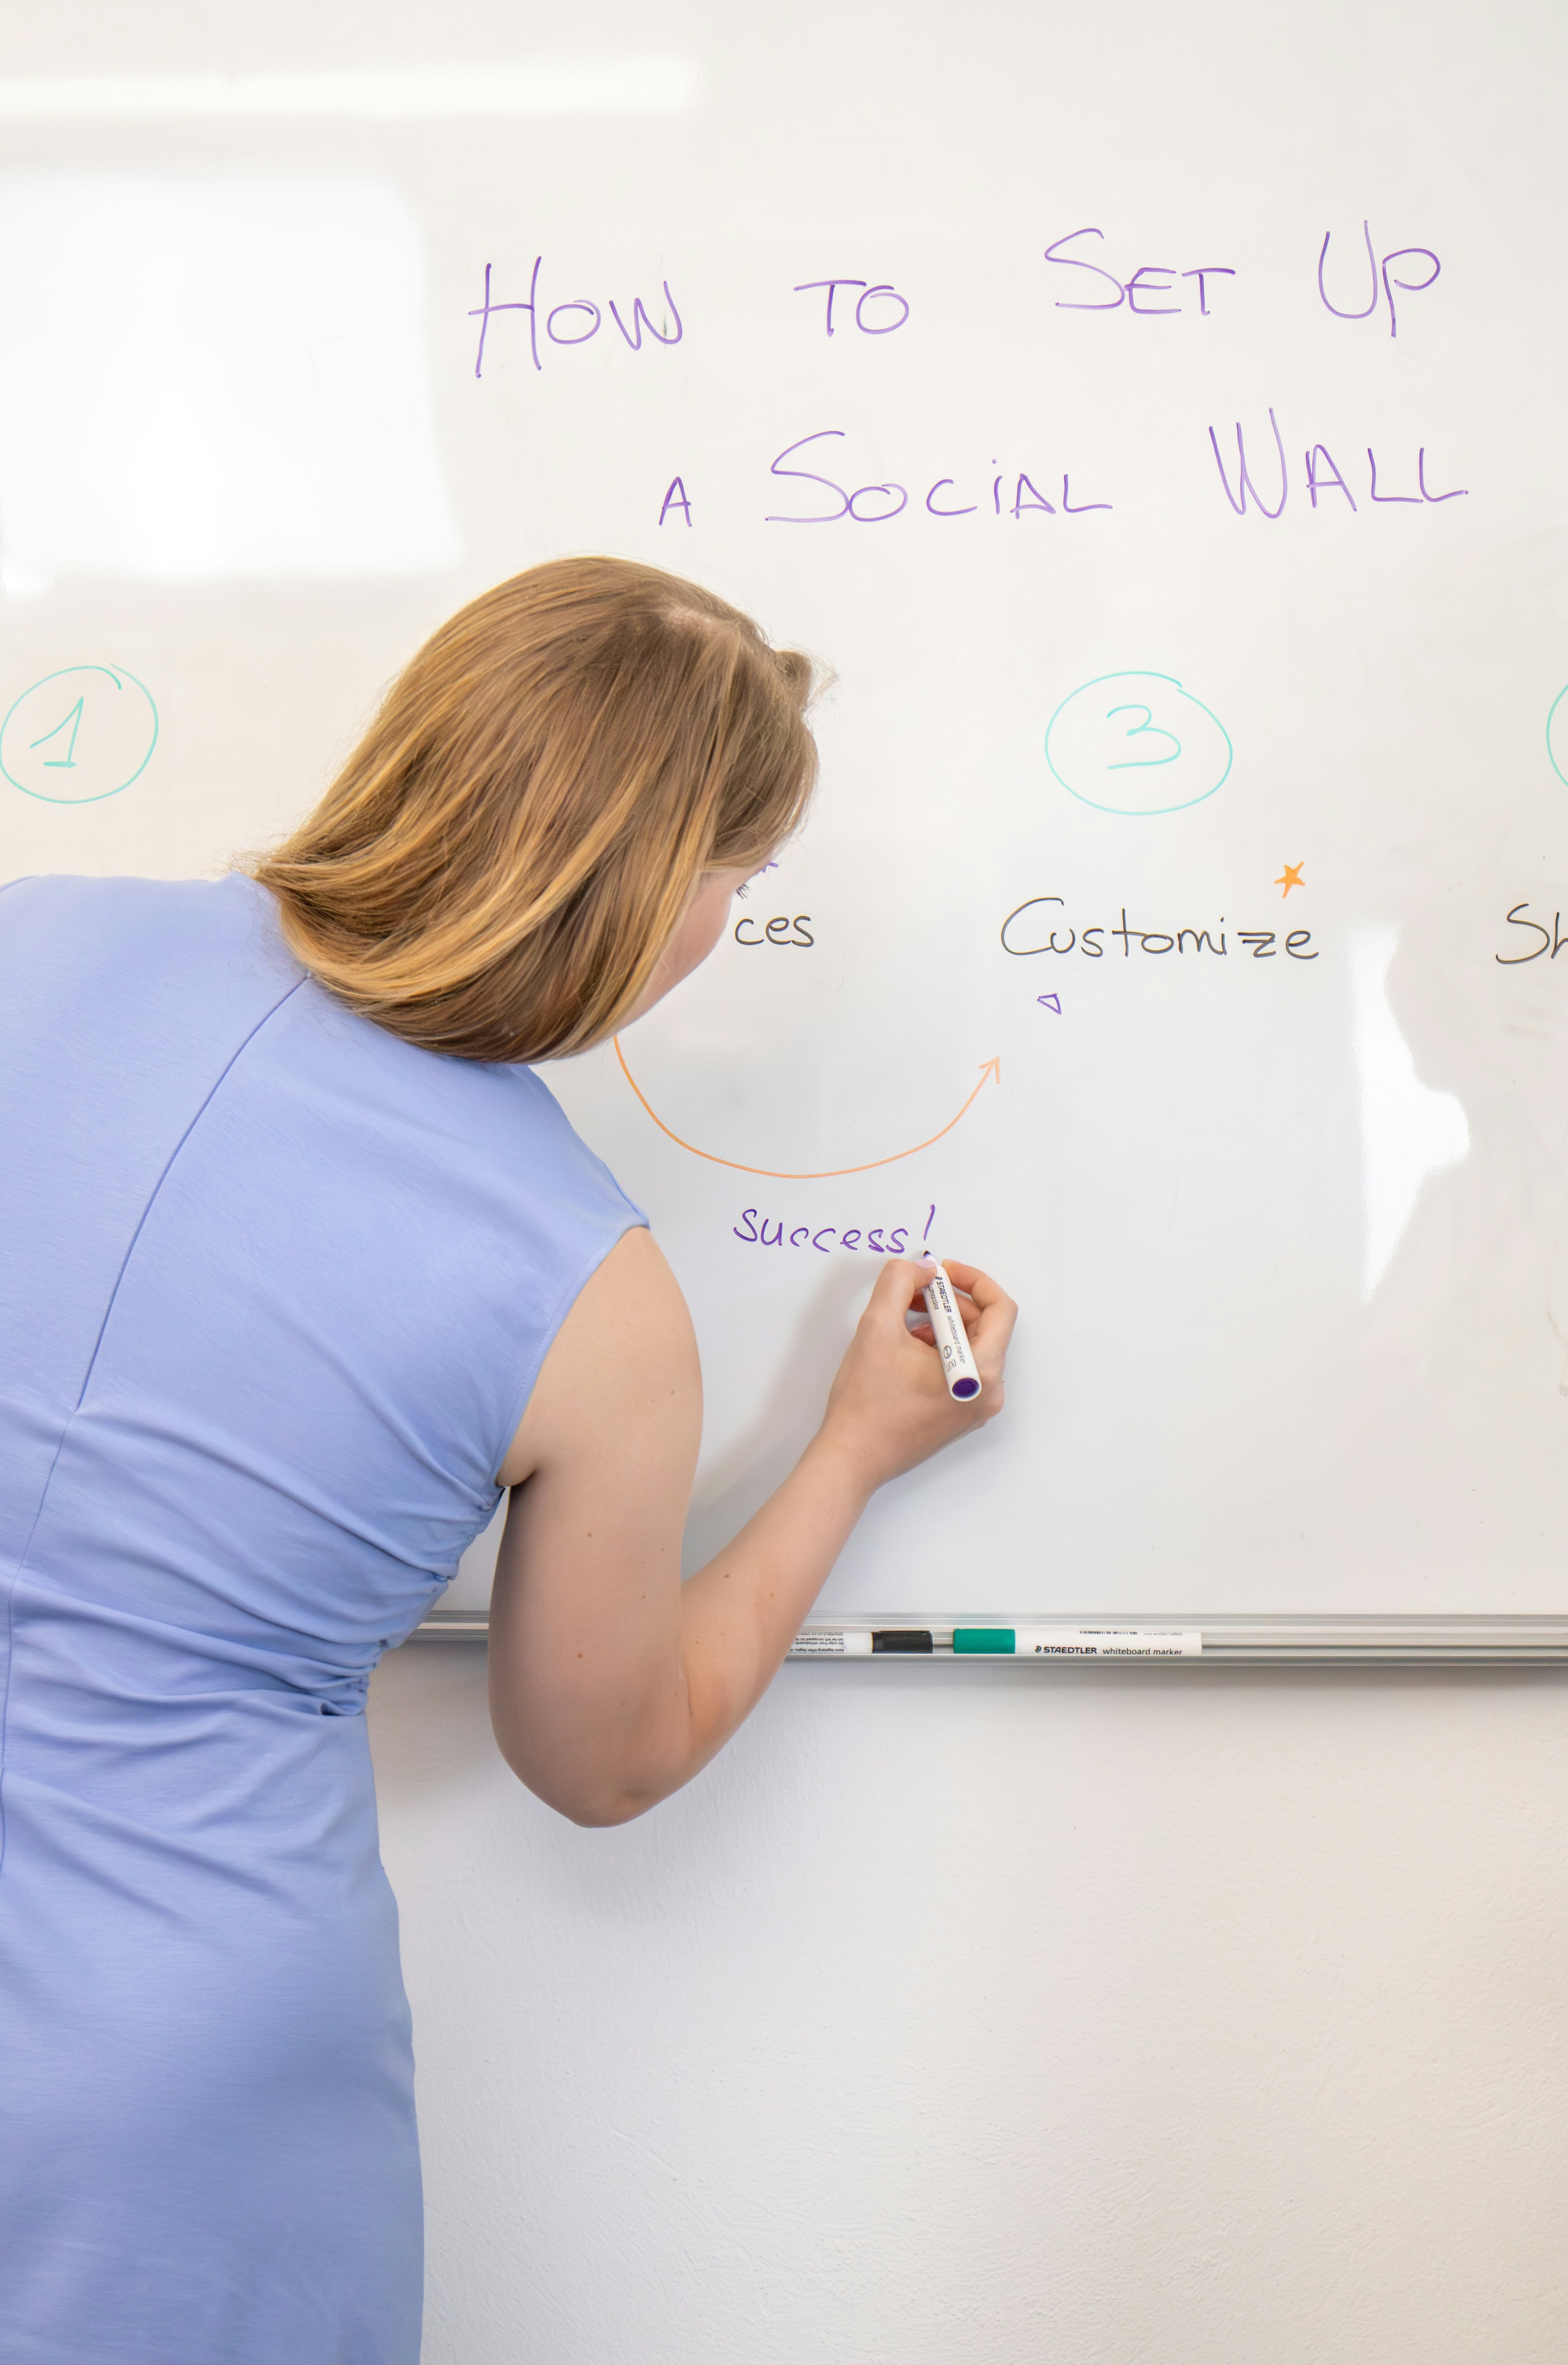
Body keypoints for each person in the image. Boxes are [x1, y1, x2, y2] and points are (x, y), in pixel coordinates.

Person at [0, 557, 1016, 2363]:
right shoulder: (586, 1285)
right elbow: (603, 1760)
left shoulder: (27, 937)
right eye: (738, 882)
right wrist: (850, 1451)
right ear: (651, 891)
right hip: (177, 2068)